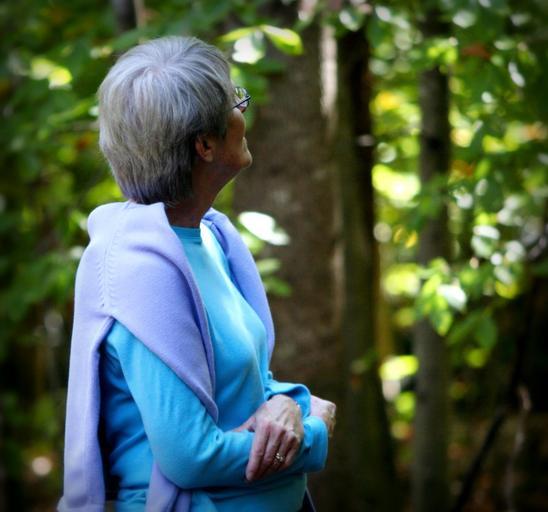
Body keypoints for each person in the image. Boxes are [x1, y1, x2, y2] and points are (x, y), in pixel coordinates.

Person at [58, 36, 336, 512]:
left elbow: (243, 386)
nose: (244, 112)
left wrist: (292, 403)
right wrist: (314, 433)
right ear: (204, 144)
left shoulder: (210, 236)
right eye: (235, 102)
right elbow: (192, 457)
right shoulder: (138, 269)